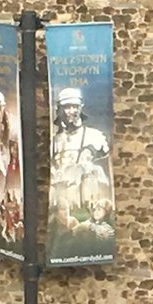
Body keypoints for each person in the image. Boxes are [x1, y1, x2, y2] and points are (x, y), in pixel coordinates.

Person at [50, 86, 111, 219]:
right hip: (62, 195)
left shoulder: (94, 136)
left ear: (80, 108)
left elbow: (104, 157)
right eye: (66, 107)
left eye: (74, 107)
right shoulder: (54, 140)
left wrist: (88, 153)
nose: (70, 111)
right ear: (59, 110)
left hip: (85, 193)